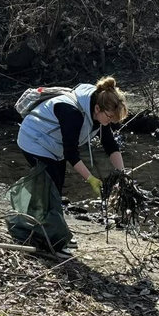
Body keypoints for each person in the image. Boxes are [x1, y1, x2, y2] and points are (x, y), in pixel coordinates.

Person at [16, 75, 129, 230]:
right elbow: (70, 153)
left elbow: (110, 145)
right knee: (51, 185)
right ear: (97, 109)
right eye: (109, 118)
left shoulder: (99, 108)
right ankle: (43, 231)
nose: (110, 122)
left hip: (53, 145)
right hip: (34, 138)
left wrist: (122, 174)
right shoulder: (73, 112)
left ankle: (45, 227)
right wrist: (90, 179)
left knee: (56, 185)